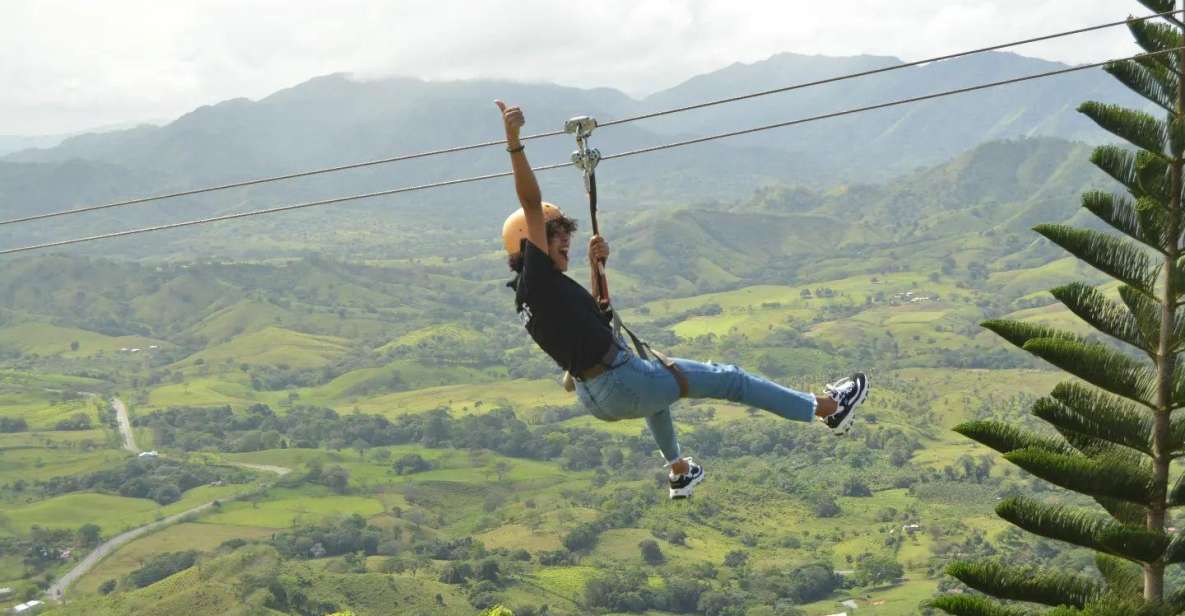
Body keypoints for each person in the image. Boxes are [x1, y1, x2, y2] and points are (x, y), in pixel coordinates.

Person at [496, 100, 869, 499]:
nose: (564, 247)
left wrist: (594, 266)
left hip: (601, 395)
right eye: (559, 242)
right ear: (530, 244)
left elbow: (597, 319)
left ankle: (679, 471)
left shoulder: (533, 296)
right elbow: (531, 203)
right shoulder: (537, 277)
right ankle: (828, 409)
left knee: (657, 385)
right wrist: (515, 142)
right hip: (621, 382)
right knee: (732, 380)